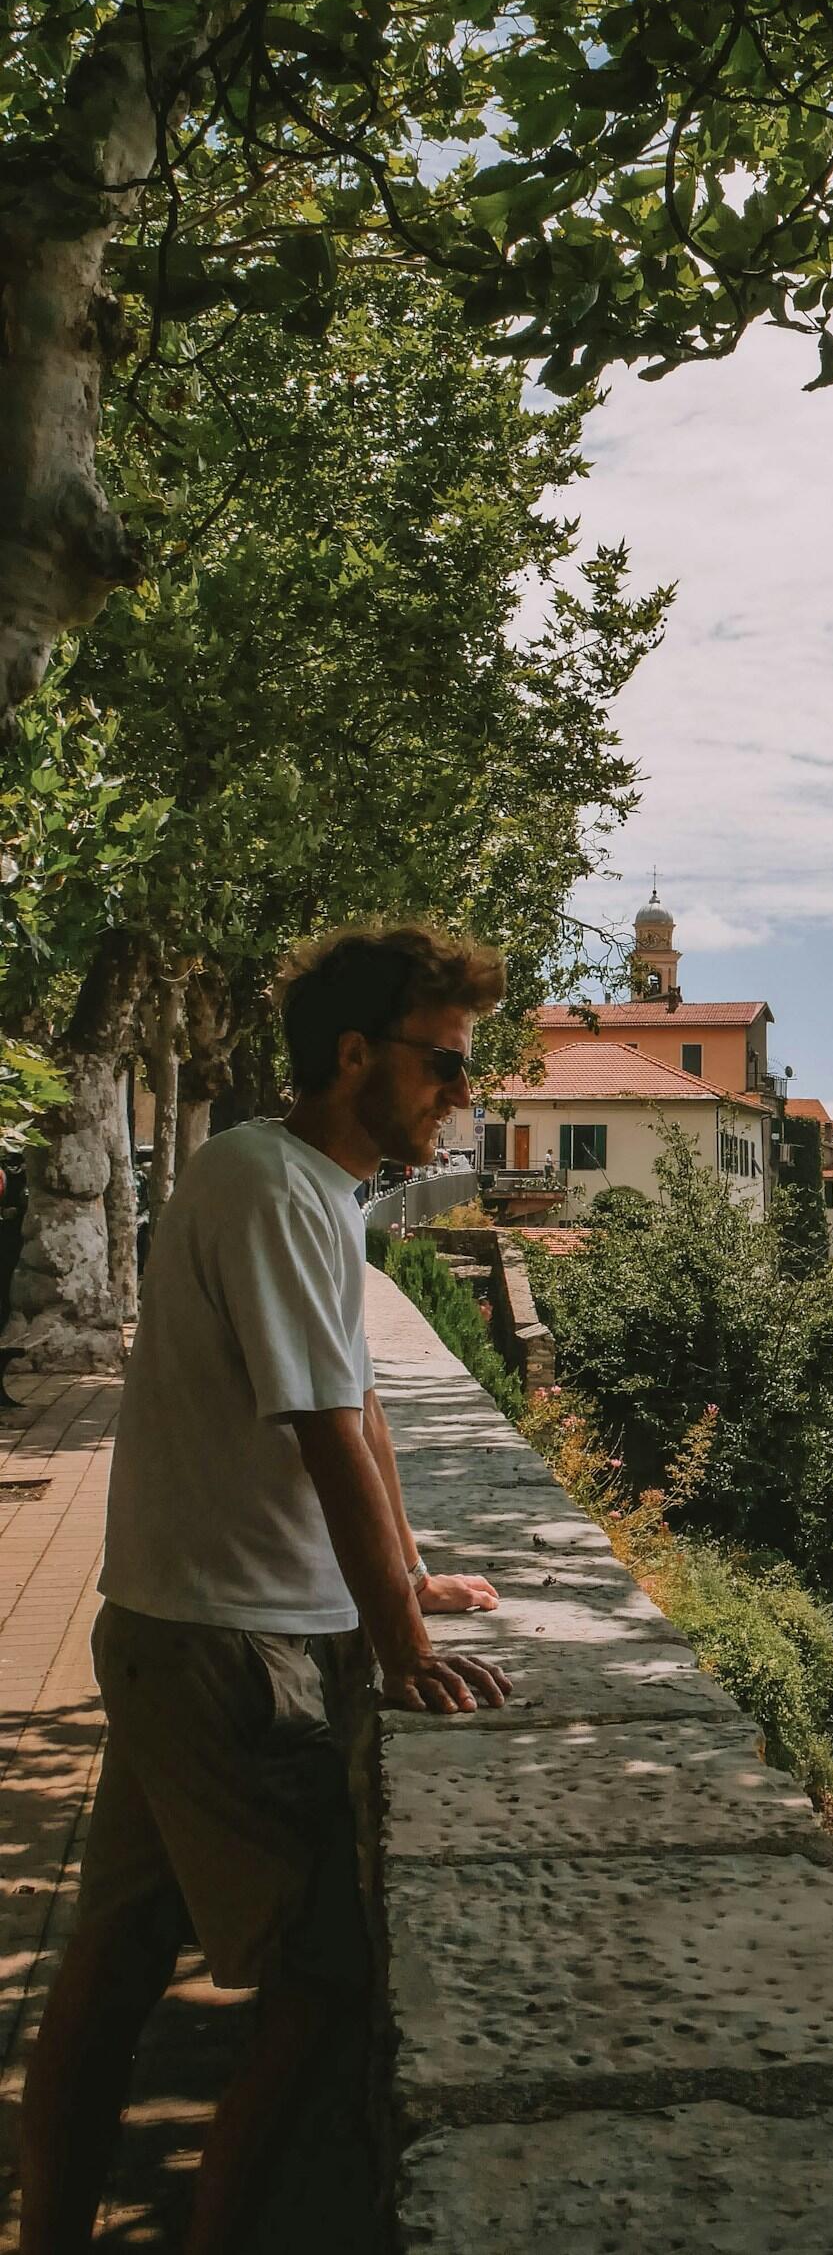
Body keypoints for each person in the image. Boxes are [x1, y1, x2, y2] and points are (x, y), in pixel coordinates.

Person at [20, 923, 515, 2254]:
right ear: (355, 1054)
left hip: (185, 1627)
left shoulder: (304, 1186)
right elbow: (324, 1430)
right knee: (329, 1980)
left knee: (118, 1961)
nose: (460, 1090)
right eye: (442, 1062)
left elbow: (362, 1410)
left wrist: (410, 1574)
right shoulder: (272, 1189)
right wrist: (401, 1644)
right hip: (227, 1647)